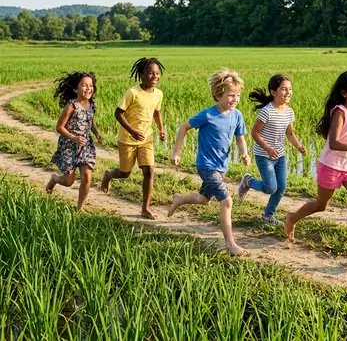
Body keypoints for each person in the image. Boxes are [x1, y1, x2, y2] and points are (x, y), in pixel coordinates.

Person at [285, 70, 347, 263]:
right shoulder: (340, 111)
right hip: (331, 166)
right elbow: (334, 143)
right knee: (322, 205)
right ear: (345, 92)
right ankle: (292, 218)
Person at [168, 69, 250, 257]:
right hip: (206, 166)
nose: (235, 99)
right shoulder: (208, 115)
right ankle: (230, 244)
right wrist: (176, 151)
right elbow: (184, 127)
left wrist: (244, 153)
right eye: (231, 95)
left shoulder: (237, 115)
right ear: (218, 94)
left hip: (221, 167)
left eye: (237, 96)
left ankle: (179, 199)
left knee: (204, 200)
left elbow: (240, 138)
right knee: (227, 201)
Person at [100, 57, 166, 220]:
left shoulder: (158, 94)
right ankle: (108, 175)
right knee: (125, 173)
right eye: (150, 73)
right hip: (128, 139)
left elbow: (156, 112)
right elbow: (118, 113)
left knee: (149, 171)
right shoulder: (133, 93)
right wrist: (132, 130)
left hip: (146, 139)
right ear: (142, 74)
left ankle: (145, 208)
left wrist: (161, 129)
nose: (154, 77)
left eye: (157, 74)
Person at [237, 74, 307, 225]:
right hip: (263, 155)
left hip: (279, 156)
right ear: (273, 92)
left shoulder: (289, 112)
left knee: (281, 187)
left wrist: (298, 145)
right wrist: (268, 148)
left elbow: (289, 133)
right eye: (284, 89)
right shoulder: (267, 111)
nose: (288, 92)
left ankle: (268, 215)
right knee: (270, 188)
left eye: (290, 89)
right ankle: (248, 181)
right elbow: (254, 133)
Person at [46, 71, 103, 209]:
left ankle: (80, 208)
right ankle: (54, 179)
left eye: (91, 85)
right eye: (84, 85)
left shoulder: (92, 105)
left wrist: (96, 133)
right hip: (69, 144)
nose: (88, 88)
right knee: (68, 181)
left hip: (85, 145)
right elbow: (59, 127)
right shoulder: (71, 105)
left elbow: (91, 122)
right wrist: (74, 138)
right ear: (75, 89)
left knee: (86, 176)